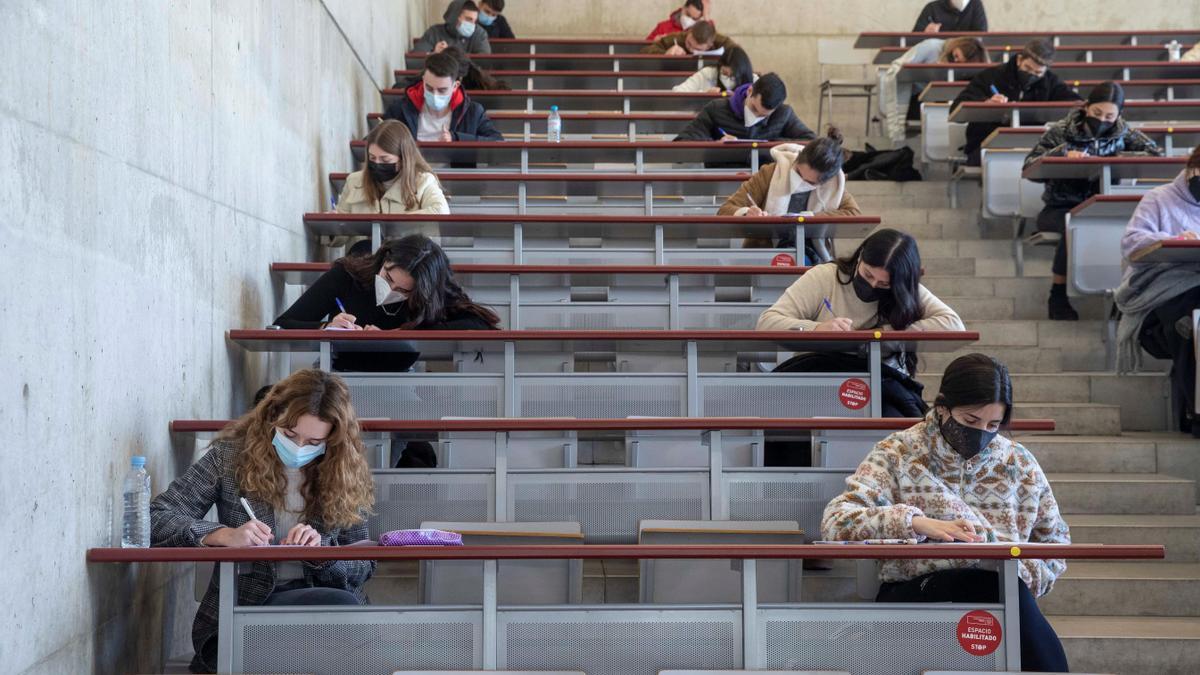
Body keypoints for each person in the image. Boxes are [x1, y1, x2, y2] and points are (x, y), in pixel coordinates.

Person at [821, 353, 1071, 672]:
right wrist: (915, 523)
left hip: (1001, 592)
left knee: (1003, 590)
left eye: (993, 425)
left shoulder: (1018, 463)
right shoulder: (898, 452)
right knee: (997, 595)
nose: (981, 432)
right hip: (914, 592)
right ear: (942, 407)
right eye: (970, 421)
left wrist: (1018, 569)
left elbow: (1055, 544)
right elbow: (837, 521)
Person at [150, 369, 377, 674]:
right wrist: (221, 534)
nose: (299, 448)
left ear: (332, 441)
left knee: (336, 617)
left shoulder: (345, 472)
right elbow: (157, 517)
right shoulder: (229, 458)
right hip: (245, 609)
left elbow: (363, 566)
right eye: (289, 434)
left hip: (326, 611)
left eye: (312, 441)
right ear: (272, 417)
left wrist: (325, 555)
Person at [758, 229, 966, 418]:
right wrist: (818, 329)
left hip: (879, 382)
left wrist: (882, 334)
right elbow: (768, 322)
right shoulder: (825, 277)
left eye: (884, 284)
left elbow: (953, 324)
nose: (873, 285)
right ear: (860, 256)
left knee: (901, 421)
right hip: (817, 378)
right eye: (867, 275)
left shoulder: (905, 290)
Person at [1024, 82, 1162, 321]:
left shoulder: (1122, 132)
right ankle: (1057, 293)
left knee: (1132, 227)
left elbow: (1154, 154)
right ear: (1087, 107)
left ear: (1119, 114)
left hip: (1103, 202)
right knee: (1076, 222)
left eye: (1110, 116)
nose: (1103, 120)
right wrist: (1062, 154)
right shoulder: (1062, 130)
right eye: (1097, 114)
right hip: (1059, 207)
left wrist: (1122, 156)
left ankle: (1128, 294)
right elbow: (1029, 166)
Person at [273, 235, 501, 372]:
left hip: (397, 382)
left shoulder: (432, 298)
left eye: (403, 290)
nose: (390, 290)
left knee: (417, 444)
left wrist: (399, 333)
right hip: (337, 373)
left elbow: (480, 325)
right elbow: (284, 324)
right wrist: (327, 328)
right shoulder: (348, 274)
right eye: (387, 277)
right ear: (384, 259)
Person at [1115, 145, 1200, 436]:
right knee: (1187, 319)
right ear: (1193, 168)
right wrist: (1174, 238)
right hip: (1162, 288)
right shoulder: (1160, 198)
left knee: (1192, 319)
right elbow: (1132, 243)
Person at [719, 128, 861, 254]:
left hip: (813, 256)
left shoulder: (834, 185)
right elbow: (725, 210)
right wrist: (746, 213)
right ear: (797, 159)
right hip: (763, 253)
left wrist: (810, 217)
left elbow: (854, 216)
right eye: (798, 173)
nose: (801, 182)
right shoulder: (770, 172)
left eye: (810, 183)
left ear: (825, 182)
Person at [951, 39, 1081, 165]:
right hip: (985, 144)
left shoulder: (1050, 82)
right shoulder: (991, 76)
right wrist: (985, 103)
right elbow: (957, 108)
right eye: (1027, 68)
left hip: (1031, 146)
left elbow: (1076, 104)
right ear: (1019, 60)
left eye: (1037, 73)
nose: (1031, 75)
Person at [879, 36, 988, 144]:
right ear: (955, 46)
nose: (954, 61)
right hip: (914, 98)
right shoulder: (931, 47)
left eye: (959, 63)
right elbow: (898, 69)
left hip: (939, 97)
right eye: (954, 56)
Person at [383, 51, 504, 142]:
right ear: (423, 80)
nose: (435, 95)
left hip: (455, 175)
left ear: (455, 86)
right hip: (411, 173)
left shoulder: (473, 112)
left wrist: (456, 138)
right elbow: (378, 138)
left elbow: (497, 141)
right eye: (429, 88)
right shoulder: (401, 108)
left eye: (442, 90)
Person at [335, 121, 448, 215]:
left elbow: (441, 211)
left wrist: (393, 224)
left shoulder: (424, 181)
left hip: (407, 241)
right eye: (372, 158)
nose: (377, 163)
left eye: (385, 160)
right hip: (366, 242)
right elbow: (343, 233)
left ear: (403, 159)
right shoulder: (353, 181)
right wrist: (332, 227)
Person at [674, 73, 815, 142]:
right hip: (723, 180)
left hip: (765, 182)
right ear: (749, 92)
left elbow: (809, 141)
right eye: (754, 109)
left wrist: (771, 145)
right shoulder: (717, 109)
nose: (755, 117)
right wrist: (716, 145)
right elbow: (683, 142)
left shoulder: (784, 114)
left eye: (763, 115)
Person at [414, 0, 491, 55]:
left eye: (475, 21)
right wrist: (434, 54)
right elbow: (417, 56)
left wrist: (451, 55)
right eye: (468, 19)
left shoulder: (480, 34)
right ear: (454, 17)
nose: (472, 25)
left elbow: (484, 62)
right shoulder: (434, 32)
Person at [673, 45, 756, 93]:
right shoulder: (708, 73)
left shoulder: (754, 79)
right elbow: (677, 92)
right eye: (724, 73)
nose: (728, 79)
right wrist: (704, 95)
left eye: (733, 76)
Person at [642, 19, 736, 56]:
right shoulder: (678, 37)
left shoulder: (723, 42)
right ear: (689, 32)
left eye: (697, 49)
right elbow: (645, 51)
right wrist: (665, 53)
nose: (691, 50)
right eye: (689, 44)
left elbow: (739, 57)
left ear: (708, 46)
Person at [646, 0, 710, 41]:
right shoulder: (663, 26)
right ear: (683, 8)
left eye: (694, 19)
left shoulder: (698, 32)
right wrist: (655, 42)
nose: (689, 20)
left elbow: (712, 41)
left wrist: (706, 16)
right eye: (688, 14)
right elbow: (643, 49)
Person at [913, 0, 988, 33]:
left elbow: (982, 36)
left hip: (967, 58)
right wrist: (924, 34)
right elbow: (912, 40)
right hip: (937, 58)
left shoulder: (975, 5)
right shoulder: (932, 8)